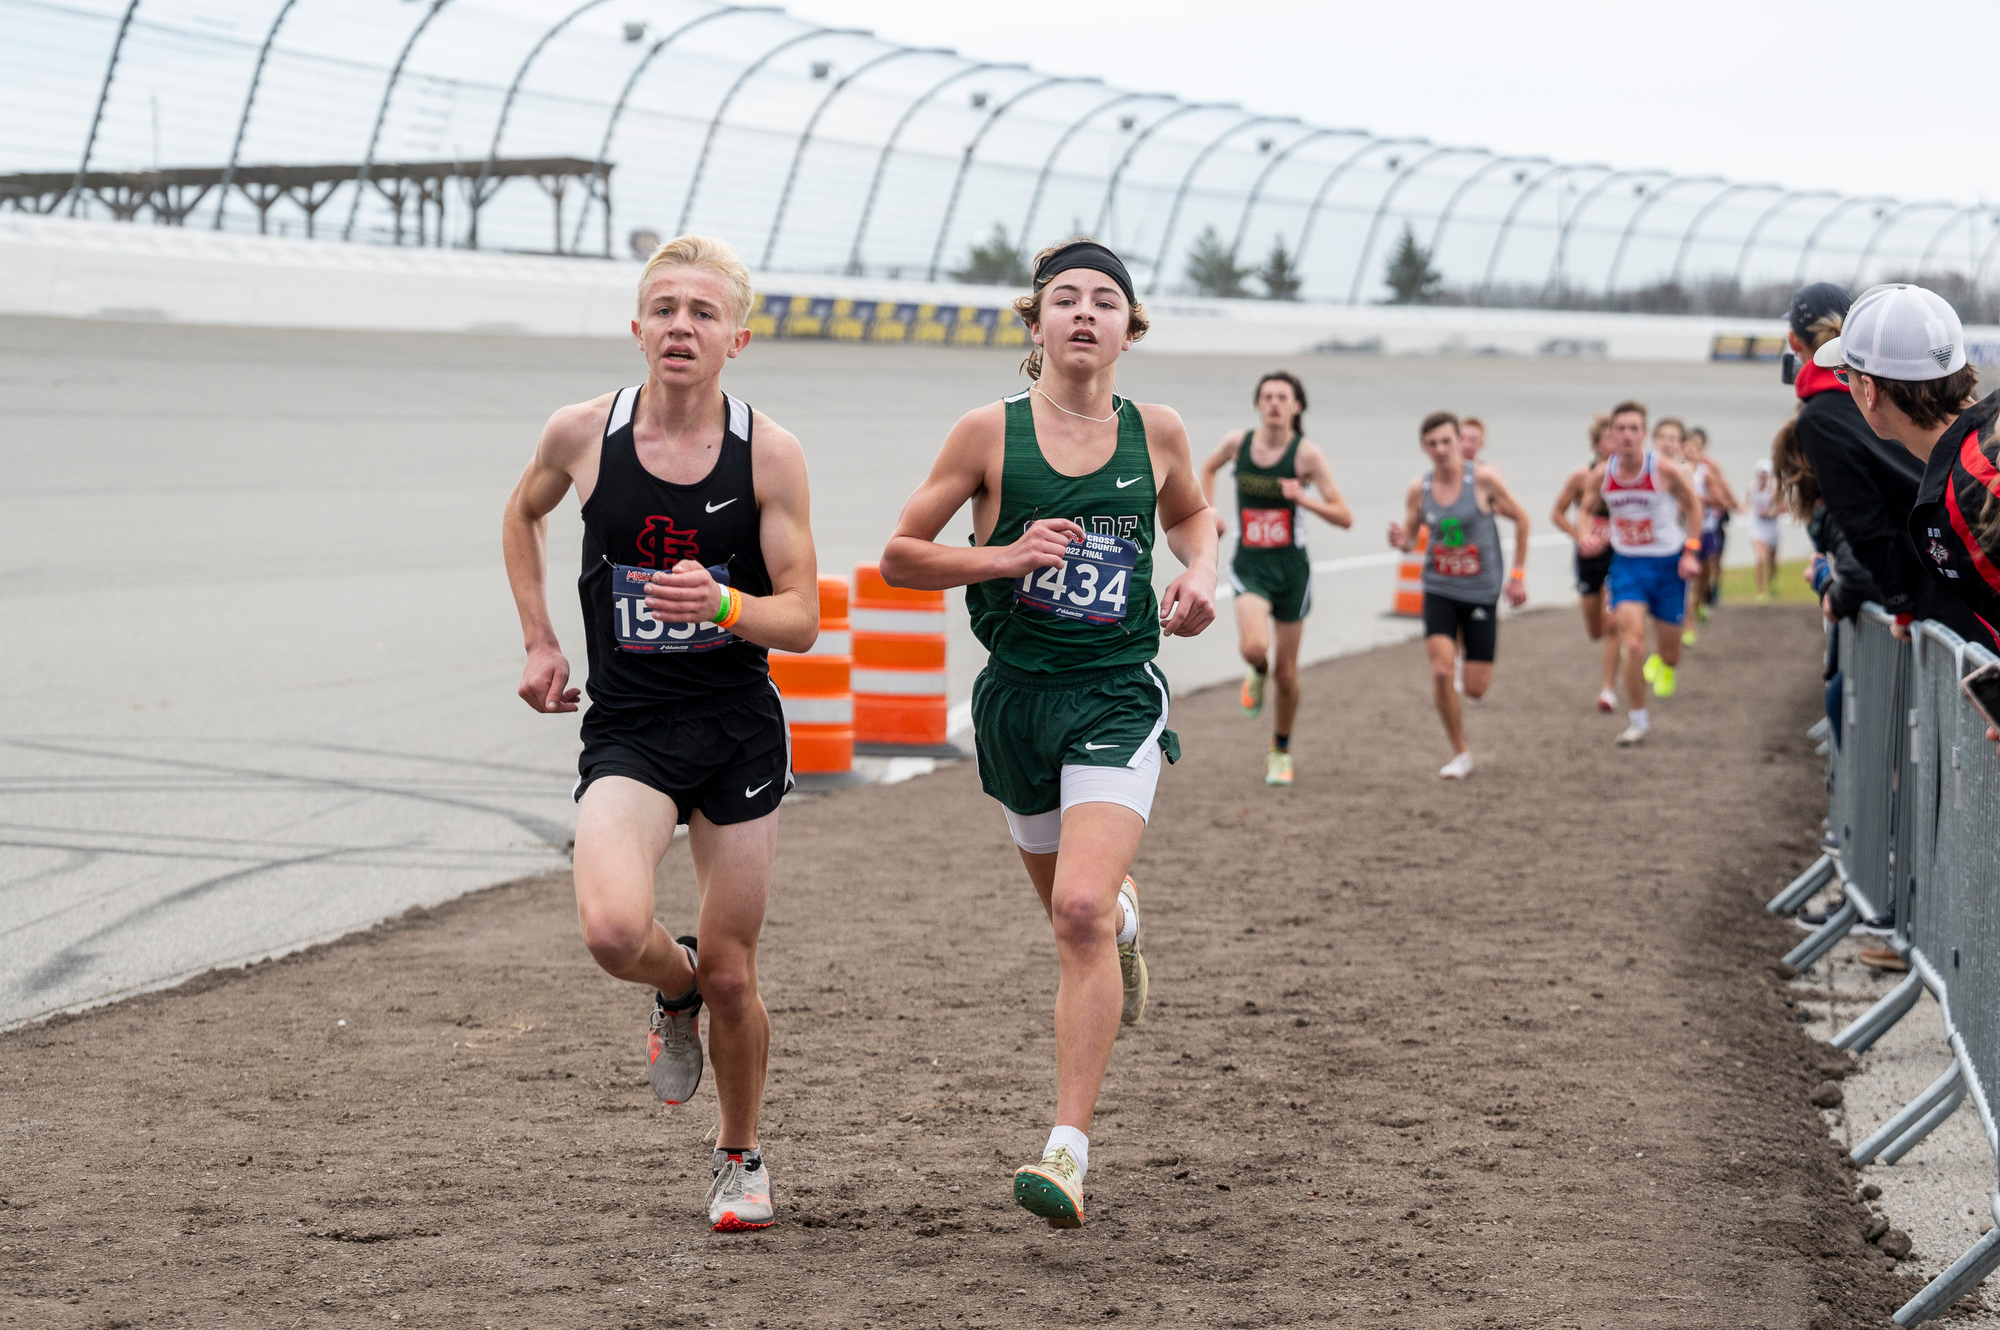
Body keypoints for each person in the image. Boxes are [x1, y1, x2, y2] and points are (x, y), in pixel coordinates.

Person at [878, 238, 1218, 1229]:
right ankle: (1121, 919)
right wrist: (1005, 556)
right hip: (1016, 701)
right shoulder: (986, 433)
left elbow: (1194, 516)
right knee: (1075, 916)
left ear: (1128, 327)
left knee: (1071, 910)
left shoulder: (1155, 431)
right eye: (1062, 298)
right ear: (1033, 325)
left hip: (1115, 691)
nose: (1082, 312)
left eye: (1103, 299)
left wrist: (1198, 575)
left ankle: (1065, 1151)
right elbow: (901, 556)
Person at [500, 235, 819, 1233]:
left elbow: (803, 617)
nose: (682, 325)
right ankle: (668, 985)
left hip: (734, 730)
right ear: (637, 328)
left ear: (738, 338)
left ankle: (740, 1158)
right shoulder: (582, 433)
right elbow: (521, 515)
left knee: (737, 971)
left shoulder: (766, 452)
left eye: (703, 312)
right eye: (665, 308)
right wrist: (541, 639)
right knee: (607, 931)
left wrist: (724, 604)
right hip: (630, 727)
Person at [1786, 281, 1987, 648]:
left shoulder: (1973, 485)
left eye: (1845, 377)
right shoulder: (1972, 460)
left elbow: (1866, 527)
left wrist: (1902, 606)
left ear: (1870, 391)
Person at [1200, 370, 1352, 785]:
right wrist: (1209, 512)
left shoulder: (1307, 457)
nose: (1274, 403)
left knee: (1288, 674)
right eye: (1267, 396)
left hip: (1291, 572)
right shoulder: (1238, 443)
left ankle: (1280, 749)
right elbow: (1208, 468)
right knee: (1253, 648)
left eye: (1282, 397)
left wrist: (1304, 498)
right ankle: (1256, 669)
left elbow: (1345, 516)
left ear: (1296, 406)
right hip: (1250, 564)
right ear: (1257, 404)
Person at [1386, 411, 1531, 778]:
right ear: (1424, 448)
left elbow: (1523, 520)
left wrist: (1517, 576)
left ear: (1459, 442)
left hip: (1481, 592)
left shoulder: (1482, 480)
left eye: (1446, 441)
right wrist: (1399, 541)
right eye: (1432, 444)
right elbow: (1409, 540)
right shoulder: (1418, 489)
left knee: (1476, 689)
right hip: (1439, 588)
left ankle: (1466, 661)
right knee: (1440, 671)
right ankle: (1460, 752)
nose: (1440, 449)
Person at [1578, 400, 1703, 746]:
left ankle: (1664, 665)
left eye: (1635, 429)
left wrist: (1691, 551)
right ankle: (1637, 719)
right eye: (1621, 429)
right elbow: (1586, 508)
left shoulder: (1664, 470)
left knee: (1670, 655)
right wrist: (1584, 535)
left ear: (1644, 434)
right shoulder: (1602, 474)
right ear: (1612, 435)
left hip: (1668, 567)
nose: (1628, 435)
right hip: (1628, 566)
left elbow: (1694, 507)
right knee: (1632, 644)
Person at [1549, 412, 1621, 712]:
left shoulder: (1632, 474)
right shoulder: (1581, 476)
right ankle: (1618, 650)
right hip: (1590, 556)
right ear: (1595, 444)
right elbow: (1557, 513)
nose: (1615, 443)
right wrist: (1581, 536)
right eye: (1609, 438)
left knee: (1613, 622)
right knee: (1596, 630)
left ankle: (1608, 689)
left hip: (1620, 556)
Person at [1682, 427, 1739, 640]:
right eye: (1685, 448)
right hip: (1683, 533)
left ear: (1700, 451)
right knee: (1685, 578)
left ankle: (1698, 604)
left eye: (1693, 449)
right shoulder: (1674, 471)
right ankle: (1688, 625)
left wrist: (1698, 499)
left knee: (1704, 575)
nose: (1688, 452)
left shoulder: (1705, 474)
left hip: (1705, 530)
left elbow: (1720, 500)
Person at [1746, 458, 1781, 604]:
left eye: (1766, 474)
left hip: (1772, 527)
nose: (1763, 477)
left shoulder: (1775, 488)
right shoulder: (1752, 487)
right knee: (1760, 557)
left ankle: (1771, 583)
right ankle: (1761, 591)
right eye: (1761, 474)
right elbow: (1747, 502)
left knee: (1772, 560)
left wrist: (1772, 512)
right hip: (1758, 526)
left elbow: (1785, 506)